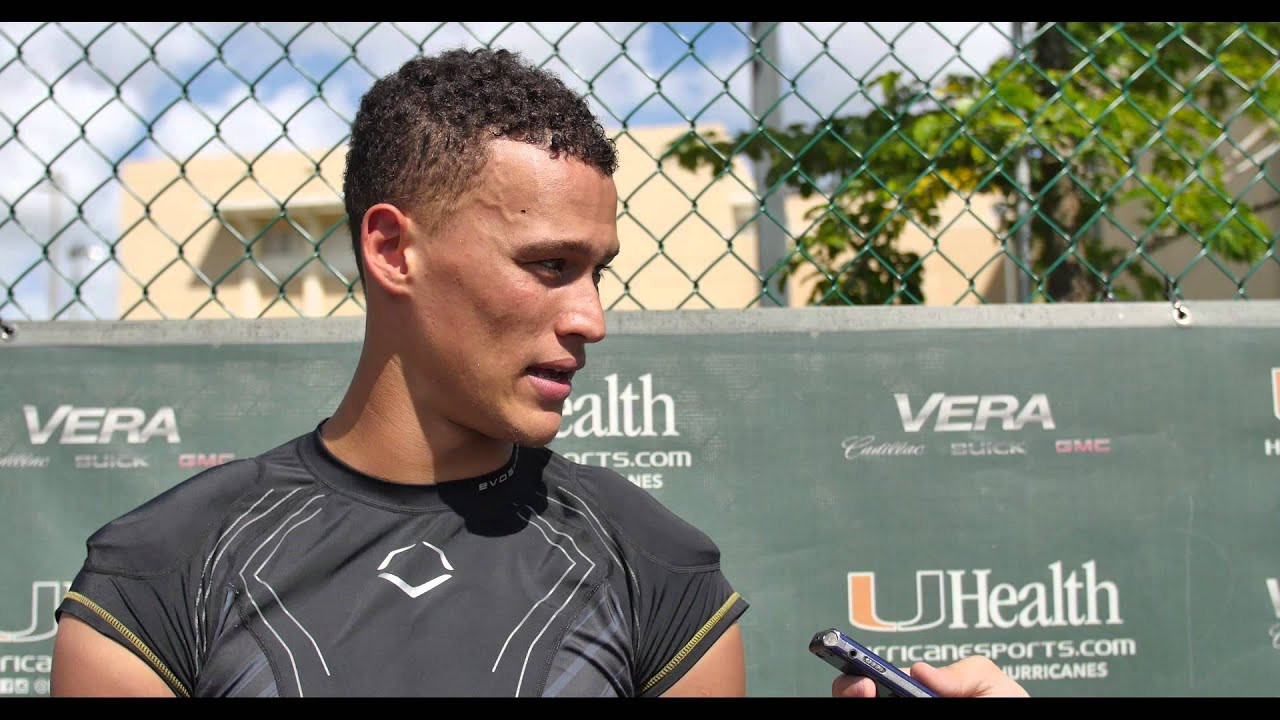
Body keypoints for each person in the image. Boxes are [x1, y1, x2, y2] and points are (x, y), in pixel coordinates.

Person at [48, 47, 1025, 698]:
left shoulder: (659, 572)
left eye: (597, 273)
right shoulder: (158, 578)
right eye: (548, 267)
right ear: (393, 250)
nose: (590, 319)